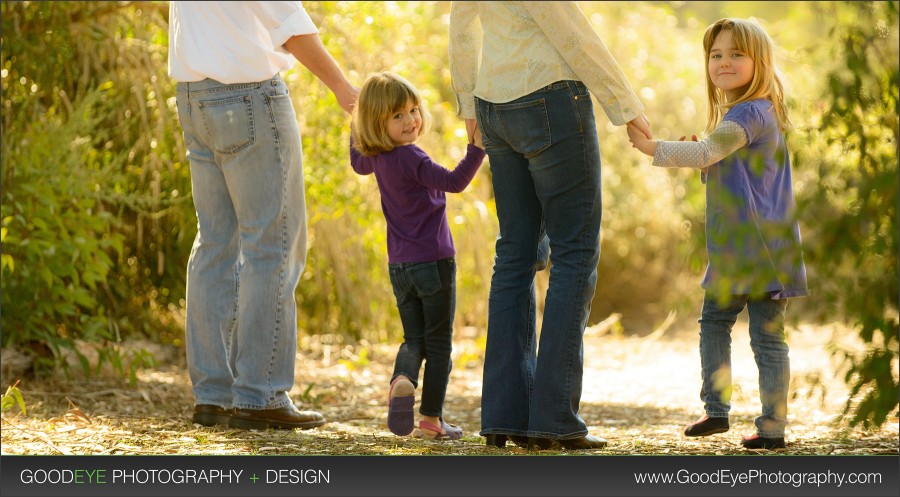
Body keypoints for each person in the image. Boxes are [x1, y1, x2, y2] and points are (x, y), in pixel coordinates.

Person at [449, 2, 652, 450]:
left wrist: (468, 104)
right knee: (575, 253)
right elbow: (572, 31)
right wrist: (627, 106)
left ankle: (504, 416)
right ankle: (554, 420)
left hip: (493, 104)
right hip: (549, 97)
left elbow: (461, 25)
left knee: (515, 255)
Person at [168, 1, 358, 430]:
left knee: (215, 242)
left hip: (194, 98)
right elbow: (288, 23)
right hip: (249, 96)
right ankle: (260, 394)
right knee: (271, 245)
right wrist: (343, 87)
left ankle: (213, 396)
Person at [627, 18, 808, 450]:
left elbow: (708, 149)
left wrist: (653, 147)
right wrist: (708, 164)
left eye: (736, 54)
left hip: (751, 248)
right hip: (756, 247)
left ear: (759, 62)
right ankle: (761, 425)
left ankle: (726, 411)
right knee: (750, 332)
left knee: (735, 329)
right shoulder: (759, 112)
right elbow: (731, 169)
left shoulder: (750, 110)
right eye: (716, 55)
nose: (723, 62)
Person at [349, 71, 486, 439]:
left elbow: (355, 159)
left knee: (414, 340)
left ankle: (403, 378)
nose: (411, 120)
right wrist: (477, 148)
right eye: (397, 116)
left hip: (400, 267)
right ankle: (430, 419)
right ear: (378, 123)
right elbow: (455, 182)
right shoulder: (411, 158)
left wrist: (354, 120)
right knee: (439, 343)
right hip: (435, 262)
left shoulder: (375, 158)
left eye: (413, 110)